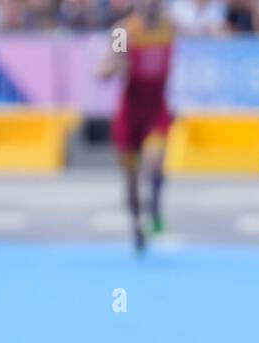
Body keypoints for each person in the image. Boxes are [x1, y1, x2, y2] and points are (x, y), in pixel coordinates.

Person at [98, 0, 177, 252]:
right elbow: (110, 62)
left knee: (155, 159)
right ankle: (136, 227)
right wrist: (112, 67)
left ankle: (153, 203)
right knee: (130, 179)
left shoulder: (169, 27)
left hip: (156, 110)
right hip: (130, 114)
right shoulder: (125, 31)